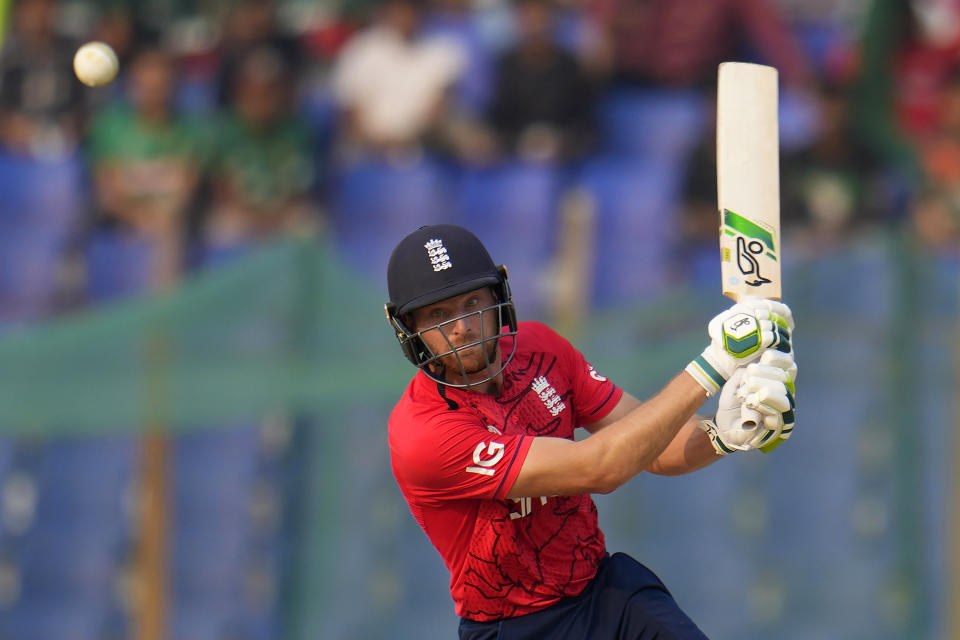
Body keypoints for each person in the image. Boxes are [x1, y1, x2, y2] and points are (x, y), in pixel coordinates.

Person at [384, 224, 797, 639]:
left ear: (497, 298)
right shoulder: (424, 433)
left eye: (472, 302)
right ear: (410, 328)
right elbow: (600, 468)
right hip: (517, 625)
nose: (461, 327)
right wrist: (715, 365)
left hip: (605, 591)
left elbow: (655, 448)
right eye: (438, 314)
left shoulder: (539, 348)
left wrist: (724, 435)